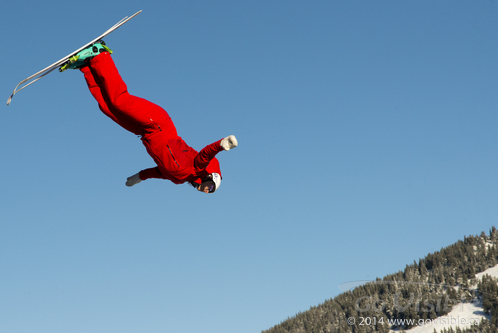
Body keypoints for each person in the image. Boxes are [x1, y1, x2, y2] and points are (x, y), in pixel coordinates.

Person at [63, 41, 238, 193]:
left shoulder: (178, 179)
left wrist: (139, 177)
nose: (207, 191)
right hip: (159, 124)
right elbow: (206, 154)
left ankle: (86, 66)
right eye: (211, 188)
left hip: (144, 132)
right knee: (120, 101)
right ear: (211, 177)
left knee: (108, 108)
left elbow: (156, 173)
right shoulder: (196, 168)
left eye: (209, 192)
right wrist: (222, 145)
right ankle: (99, 54)